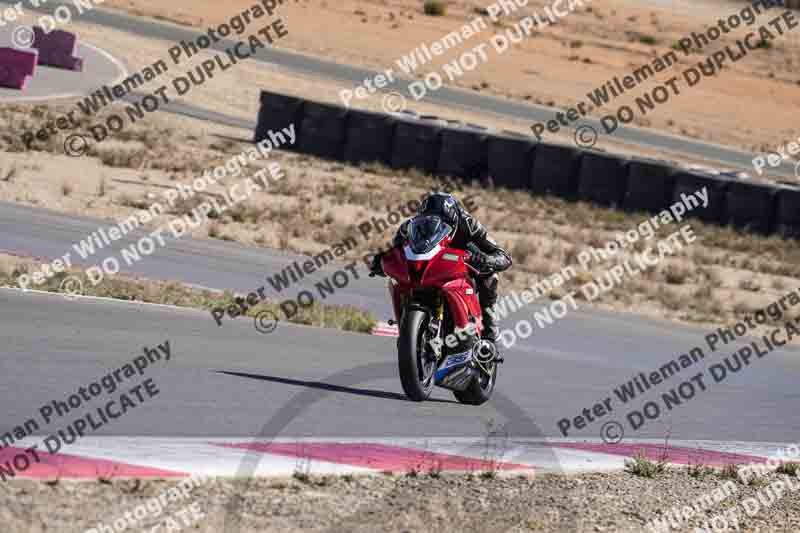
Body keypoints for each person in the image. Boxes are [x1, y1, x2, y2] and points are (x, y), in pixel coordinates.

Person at [369, 192, 512, 355]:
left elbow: (504, 256)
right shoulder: (408, 227)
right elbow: (397, 251)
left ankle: (490, 331)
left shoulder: (469, 224)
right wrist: (380, 261)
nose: (434, 226)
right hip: (431, 265)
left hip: (463, 264)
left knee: (490, 278)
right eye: (427, 221)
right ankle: (406, 325)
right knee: (394, 281)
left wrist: (487, 260)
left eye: (441, 222)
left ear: (453, 218)